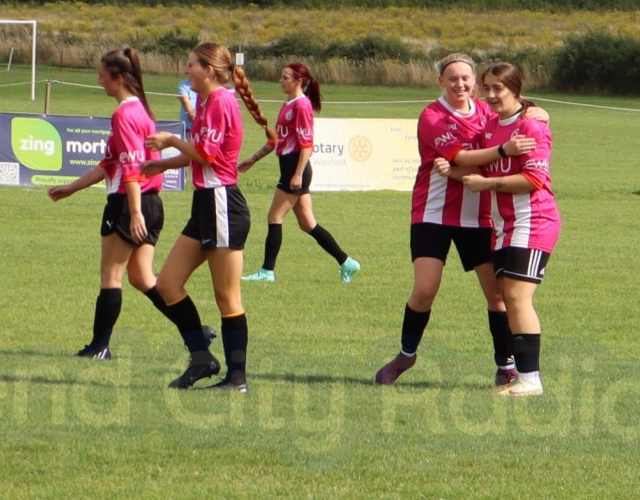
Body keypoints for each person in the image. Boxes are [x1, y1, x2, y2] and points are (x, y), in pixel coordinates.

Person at [374, 53, 542, 389]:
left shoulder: (485, 110)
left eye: (466, 78)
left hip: (479, 217)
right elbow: (462, 158)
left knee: (497, 295)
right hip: (432, 214)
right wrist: (504, 151)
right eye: (452, 78)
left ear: (474, 82)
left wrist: (540, 112)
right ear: (441, 81)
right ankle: (407, 354)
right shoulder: (432, 116)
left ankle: (506, 365)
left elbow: (519, 115)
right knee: (424, 290)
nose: (460, 84)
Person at [47, 48, 212, 359]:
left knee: (111, 277)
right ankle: (196, 332)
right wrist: (73, 188)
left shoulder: (124, 114)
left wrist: (133, 212)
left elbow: (132, 168)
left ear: (119, 78)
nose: (99, 81)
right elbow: (111, 163)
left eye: (101, 75)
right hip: (151, 203)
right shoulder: (142, 112)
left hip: (130, 203)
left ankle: (99, 347)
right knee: (142, 278)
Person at [141, 42, 272, 393]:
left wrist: (169, 140)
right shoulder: (207, 101)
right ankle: (202, 359)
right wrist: (163, 163)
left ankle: (237, 379)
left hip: (222, 205)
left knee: (227, 298)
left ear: (209, 70)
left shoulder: (220, 101)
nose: (186, 71)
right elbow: (200, 154)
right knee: (168, 284)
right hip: (205, 205)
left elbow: (207, 155)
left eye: (191, 65)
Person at [443, 62, 560, 397]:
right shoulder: (490, 127)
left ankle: (530, 380)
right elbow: (473, 160)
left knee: (517, 297)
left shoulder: (532, 128)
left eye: (500, 89)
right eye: (488, 88)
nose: (492, 95)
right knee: (508, 298)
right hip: (504, 227)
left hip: (534, 221)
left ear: (516, 91)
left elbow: (534, 180)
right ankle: (522, 377)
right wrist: (450, 169)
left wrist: (486, 182)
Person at [239, 62, 361, 285]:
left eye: (285, 77)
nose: (280, 80)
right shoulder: (289, 104)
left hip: (296, 168)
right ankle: (347, 262)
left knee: (274, 217)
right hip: (291, 167)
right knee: (308, 224)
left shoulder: (301, 106)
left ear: (298, 81)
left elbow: (307, 145)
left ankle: (267, 271)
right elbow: (277, 139)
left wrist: (297, 174)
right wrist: (254, 159)